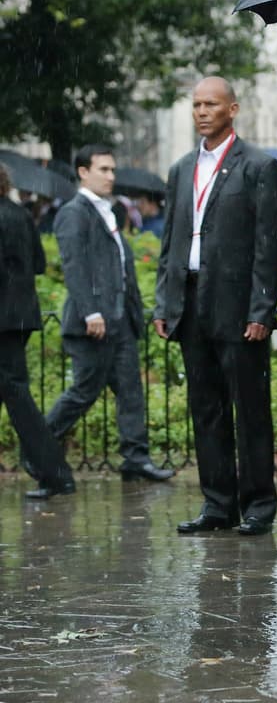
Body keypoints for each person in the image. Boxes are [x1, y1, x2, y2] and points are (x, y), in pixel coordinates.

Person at [155, 76, 277, 536]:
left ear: (232, 109)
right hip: (190, 301)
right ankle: (218, 504)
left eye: (211, 104)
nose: (201, 112)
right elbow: (170, 240)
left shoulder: (258, 166)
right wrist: (164, 303)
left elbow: (269, 246)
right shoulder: (181, 169)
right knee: (206, 407)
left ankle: (258, 505)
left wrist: (261, 309)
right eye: (196, 105)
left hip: (238, 305)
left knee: (250, 410)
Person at [45, 144, 174, 483]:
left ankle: (136, 459)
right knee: (83, 392)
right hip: (93, 324)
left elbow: (117, 265)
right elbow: (74, 267)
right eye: (103, 169)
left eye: (112, 169)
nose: (111, 176)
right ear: (83, 172)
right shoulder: (74, 212)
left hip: (120, 321)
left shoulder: (108, 210)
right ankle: (38, 448)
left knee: (130, 391)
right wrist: (90, 313)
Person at [0, 165, 75, 500]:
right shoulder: (20, 213)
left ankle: (55, 474)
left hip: (3, 320)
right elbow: (39, 264)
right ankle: (54, 472)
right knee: (14, 390)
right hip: (20, 316)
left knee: (17, 396)